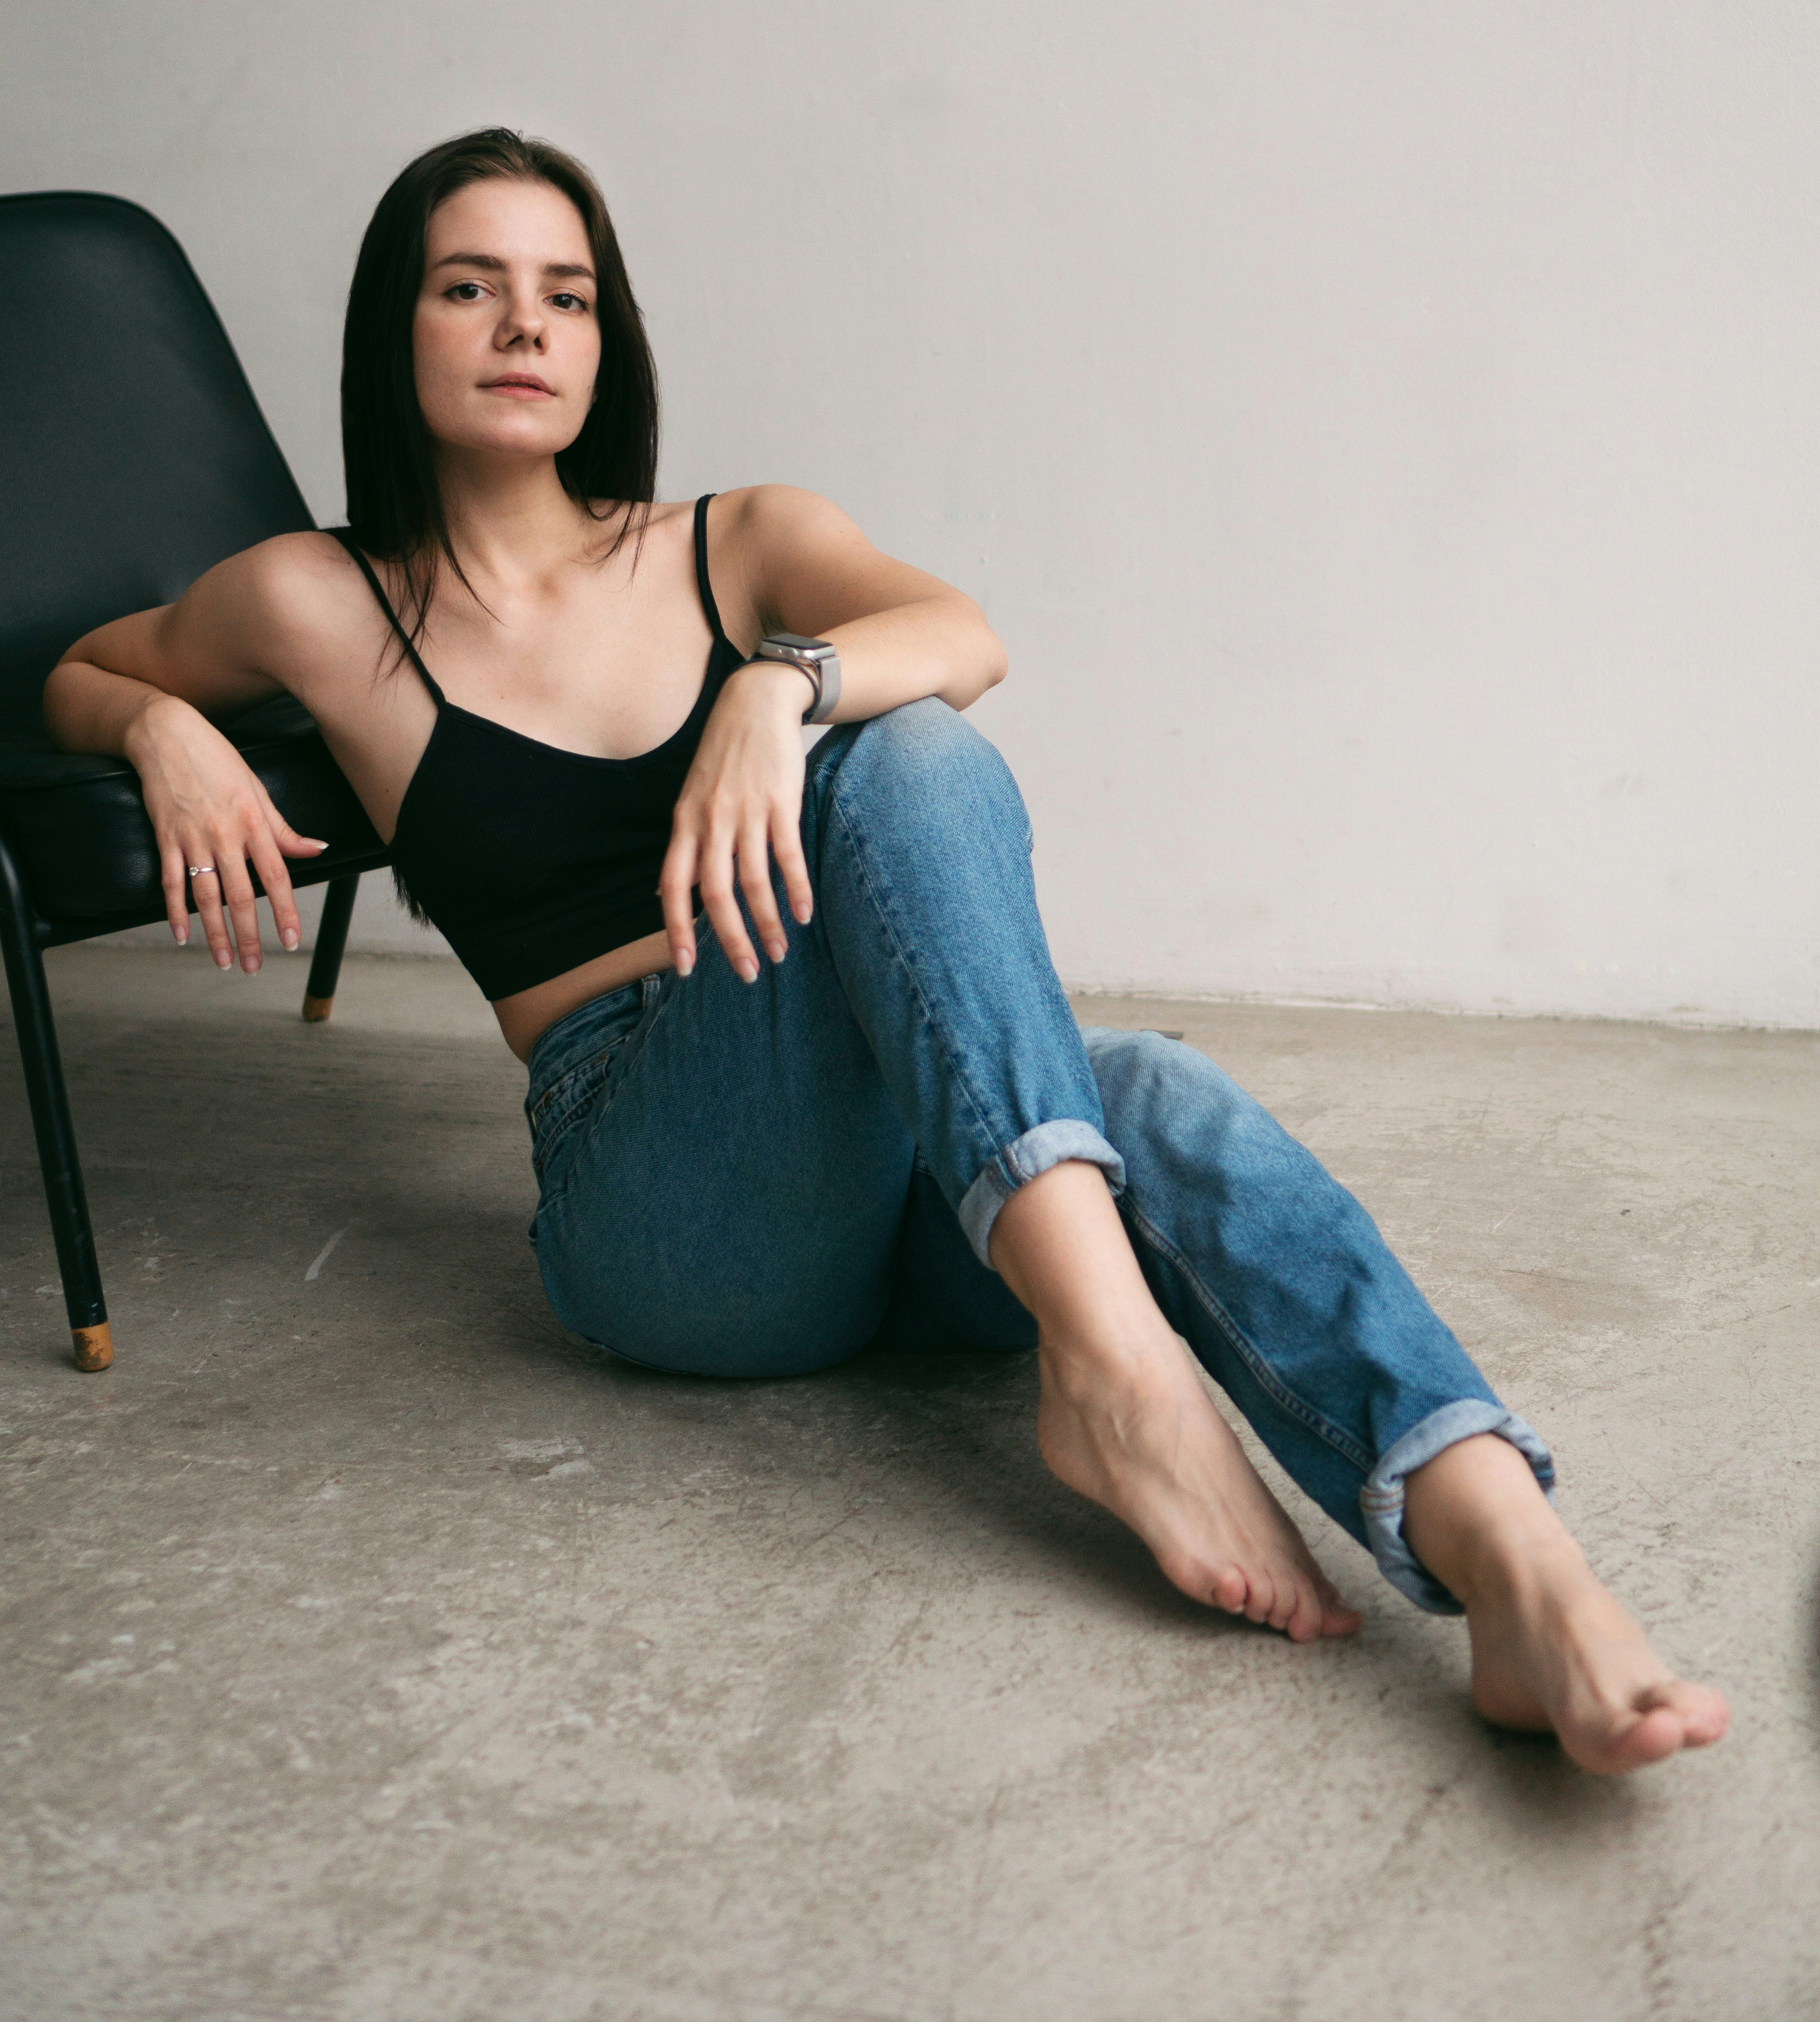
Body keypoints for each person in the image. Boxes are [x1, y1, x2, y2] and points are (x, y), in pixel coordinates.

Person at [46, 127, 1727, 1778]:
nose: (522, 329)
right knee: (936, 805)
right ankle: (1120, 1367)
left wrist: (777, 687)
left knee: (1114, 1040)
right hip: (664, 1209)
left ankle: (1511, 1557)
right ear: (393, 328)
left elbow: (962, 634)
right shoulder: (315, 603)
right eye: (468, 287)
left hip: (907, 1183)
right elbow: (69, 670)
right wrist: (162, 730)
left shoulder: (736, 538)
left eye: (565, 294)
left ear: (606, 338)